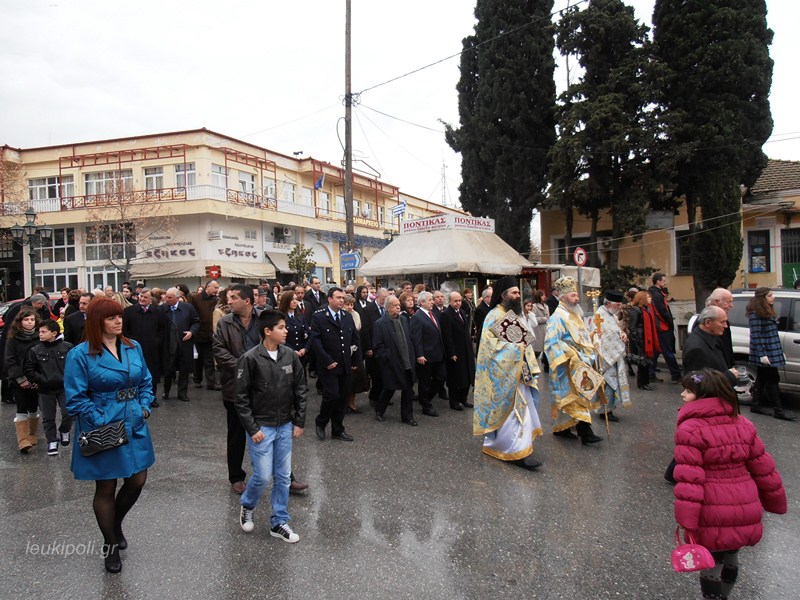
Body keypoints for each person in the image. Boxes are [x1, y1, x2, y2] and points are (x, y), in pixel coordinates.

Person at [673, 368, 786, 600]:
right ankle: (725, 595)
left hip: (712, 506)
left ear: (703, 396)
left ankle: (714, 597)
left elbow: (690, 479)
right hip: (744, 502)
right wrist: (775, 500)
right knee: (732, 555)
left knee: (712, 561)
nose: (683, 395)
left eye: (688, 391)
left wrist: (687, 519)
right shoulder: (742, 423)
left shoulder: (689, 429)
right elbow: (763, 467)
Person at [63, 296, 156, 574]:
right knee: (105, 486)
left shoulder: (132, 346)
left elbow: (147, 382)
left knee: (138, 479)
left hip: (134, 421)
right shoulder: (80, 354)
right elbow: (75, 399)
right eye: (111, 317)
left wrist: (144, 408)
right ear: (97, 322)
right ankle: (110, 544)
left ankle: (114, 524)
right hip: (102, 425)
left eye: (119, 316)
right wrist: (103, 419)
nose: (119, 321)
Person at [235, 310, 306, 543]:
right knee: (263, 476)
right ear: (268, 331)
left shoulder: (290, 356)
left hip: (285, 424)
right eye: (281, 327)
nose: (286, 331)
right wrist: (252, 428)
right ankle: (247, 504)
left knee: (284, 476)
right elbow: (241, 397)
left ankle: (279, 522)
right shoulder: (250, 358)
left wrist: (299, 420)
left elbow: (300, 389)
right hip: (261, 428)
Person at [473, 276, 543, 470]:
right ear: (504, 295)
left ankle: (522, 446)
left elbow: (524, 343)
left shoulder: (514, 314)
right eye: (514, 292)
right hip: (504, 375)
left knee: (523, 410)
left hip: (519, 373)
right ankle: (514, 451)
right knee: (514, 414)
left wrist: (525, 360)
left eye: (518, 292)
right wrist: (515, 350)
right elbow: (489, 348)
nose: (518, 295)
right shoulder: (493, 315)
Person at [214, 284, 262, 494]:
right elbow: (219, 351)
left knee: (272, 431)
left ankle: (285, 475)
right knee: (236, 434)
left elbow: (275, 344)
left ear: (248, 301)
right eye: (228, 297)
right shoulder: (225, 323)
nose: (229, 301)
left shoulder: (264, 319)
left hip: (263, 386)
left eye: (233, 297)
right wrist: (245, 367)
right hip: (235, 386)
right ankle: (236, 476)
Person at [543, 276, 603, 444]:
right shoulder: (557, 317)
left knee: (576, 397)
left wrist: (592, 336)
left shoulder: (575, 315)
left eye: (576, 295)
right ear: (562, 297)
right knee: (578, 398)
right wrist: (571, 355)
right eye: (572, 295)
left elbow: (580, 338)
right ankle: (586, 432)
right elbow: (551, 342)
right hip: (569, 365)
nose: (577, 299)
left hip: (582, 362)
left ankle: (562, 429)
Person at [310, 286, 361, 441]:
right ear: (330, 299)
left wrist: (356, 360)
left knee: (342, 398)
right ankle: (321, 422)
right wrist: (327, 361)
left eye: (342, 298)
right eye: (338, 297)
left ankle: (338, 429)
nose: (341, 300)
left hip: (345, 363)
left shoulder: (346, 316)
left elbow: (354, 338)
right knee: (331, 395)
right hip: (329, 365)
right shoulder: (319, 317)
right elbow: (316, 341)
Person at [24, 319, 73, 456]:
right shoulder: (35, 350)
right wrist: (39, 379)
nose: (40, 334)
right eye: (39, 332)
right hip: (45, 388)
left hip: (64, 387)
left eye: (43, 332)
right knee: (48, 416)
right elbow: (29, 368)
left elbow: (75, 365)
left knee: (68, 412)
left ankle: (64, 430)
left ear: (54, 333)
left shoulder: (67, 347)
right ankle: (51, 440)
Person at [747, 287, 796, 421]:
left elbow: (772, 334)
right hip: (765, 352)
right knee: (773, 378)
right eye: (770, 295)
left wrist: (780, 352)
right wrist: (762, 355)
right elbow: (756, 336)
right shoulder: (755, 314)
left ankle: (755, 405)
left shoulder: (767, 311)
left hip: (772, 350)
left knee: (762, 378)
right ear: (762, 298)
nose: (773, 297)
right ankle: (778, 410)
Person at [372, 296, 418, 425]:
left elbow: (409, 338)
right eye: (394, 305)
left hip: (407, 361)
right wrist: (388, 357)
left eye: (398, 304)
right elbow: (378, 346)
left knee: (408, 390)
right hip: (392, 363)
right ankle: (379, 410)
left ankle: (407, 417)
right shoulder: (380, 324)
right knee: (389, 388)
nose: (398, 307)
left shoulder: (404, 320)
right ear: (387, 308)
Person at [122, 288, 167, 408]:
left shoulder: (157, 312)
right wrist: (129, 342)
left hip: (152, 349)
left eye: (145, 297)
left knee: (152, 374)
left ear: (151, 300)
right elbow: (125, 329)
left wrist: (157, 341)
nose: (142, 299)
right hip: (133, 349)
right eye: (140, 296)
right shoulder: (128, 311)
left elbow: (162, 329)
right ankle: (134, 398)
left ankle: (151, 398)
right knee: (134, 373)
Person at [6, 307, 42, 452]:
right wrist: (21, 379)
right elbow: (10, 360)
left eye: (32, 319)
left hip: (36, 378)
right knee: (21, 407)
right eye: (26, 320)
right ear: (20, 322)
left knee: (33, 407)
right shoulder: (13, 338)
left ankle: (32, 434)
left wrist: (37, 378)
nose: (29, 322)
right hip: (18, 379)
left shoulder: (39, 336)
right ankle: (23, 439)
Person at [593, 290, 631, 422]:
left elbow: (615, 330)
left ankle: (610, 409)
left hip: (614, 355)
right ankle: (604, 411)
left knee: (613, 383)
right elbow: (600, 336)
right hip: (606, 357)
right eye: (618, 305)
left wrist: (622, 334)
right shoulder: (599, 314)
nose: (620, 307)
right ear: (609, 303)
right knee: (608, 383)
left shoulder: (612, 314)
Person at [160, 287, 200, 403]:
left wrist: (192, 332)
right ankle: (166, 391)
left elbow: (196, 322)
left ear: (177, 298)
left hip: (184, 344)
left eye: (170, 297)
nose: (166, 299)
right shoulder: (162, 309)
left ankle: (182, 393)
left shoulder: (188, 308)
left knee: (184, 370)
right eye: (166, 297)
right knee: (168, 370)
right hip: (169, 345)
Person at [410, 291, 445, 418]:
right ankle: (426, 405)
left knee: (441, 377)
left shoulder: (433, 314)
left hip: (438, 353)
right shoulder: (417, 317)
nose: (433, 302)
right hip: (425, 355)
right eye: (430, 300)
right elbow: (416, 338)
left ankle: (425, 398)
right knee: (424, 382)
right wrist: (419, 354)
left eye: (432, 299)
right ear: (422, 302)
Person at [440, 291, 475, 411]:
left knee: (467, 375)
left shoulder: (462, 312)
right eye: (455, 301)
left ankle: (463, 399)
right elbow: (447, 336)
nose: (458, 303)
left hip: (466, 349)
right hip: (455, 351)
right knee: (456, 378)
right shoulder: (446, 315)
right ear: (449, 301)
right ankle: (454, 402)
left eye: (459, 300)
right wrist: (451, 353)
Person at [648, 273, 682, 383]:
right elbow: (662, 311)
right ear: (658, 281)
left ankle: (651, 374)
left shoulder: (655, 293)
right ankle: (676, 375)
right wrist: (669, 321)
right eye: (663, 280)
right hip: (662, 327)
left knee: (656, 351)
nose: (665, 282)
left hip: (659, 326)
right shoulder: (657, 295)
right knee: (667, 352)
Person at [188, 280, 221, 390]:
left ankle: (211, 383)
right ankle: (197, 379)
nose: (217, 290)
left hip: (209, 334)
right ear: (208, 287)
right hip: (198, 333)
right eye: (215, 287)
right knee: (198, 359)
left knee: (209, 359)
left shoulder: (216, 300)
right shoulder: (195, 298)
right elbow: (190, 314)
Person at [361, 288, 388, 409]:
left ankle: (383, 396)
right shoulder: (367, 310)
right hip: (373, 347)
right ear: (377, 297)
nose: (384, 302)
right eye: (383, 299)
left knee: (385, 374)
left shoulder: (388, 308)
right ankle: (374, 397)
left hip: (385, 346)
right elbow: (365, 331)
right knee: (376, 375)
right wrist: (368, 348)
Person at [628, 291, 661, 391]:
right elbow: (632, 328)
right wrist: (637, 342)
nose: (650, 299)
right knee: (642, 363)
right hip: (641, 340)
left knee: (646, 362)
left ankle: (645, 382)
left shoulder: (646, 310)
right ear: (642, 299)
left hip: (646, 339)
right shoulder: (636, 310)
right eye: (648, 297)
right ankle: (642, 383)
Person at [343, 293, 368, 413]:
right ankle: (343, 403)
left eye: (352, 304)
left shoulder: (355, 314)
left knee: (356, 379)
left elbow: (357, 329)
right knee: (345, 380)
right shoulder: (341, 316)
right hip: (344, 350)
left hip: (356, 348)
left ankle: (351, 402)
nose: (350, 307)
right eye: (347, 304)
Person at [279, 290, 310, 366]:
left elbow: (308, 334)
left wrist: (305, 349)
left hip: (301, 355)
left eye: (296, 299)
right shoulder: (280, 317)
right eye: (292, 299)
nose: (295, 302)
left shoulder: (300, 316)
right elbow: (279, 338)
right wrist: (292, 351)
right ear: (286, 301)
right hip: (286, 355)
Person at [473, 287, 493, 353]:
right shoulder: (480, 309)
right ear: (486, 298)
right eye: (492, 296)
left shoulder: (491, 307)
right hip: (484, 339)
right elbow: (481, 326)